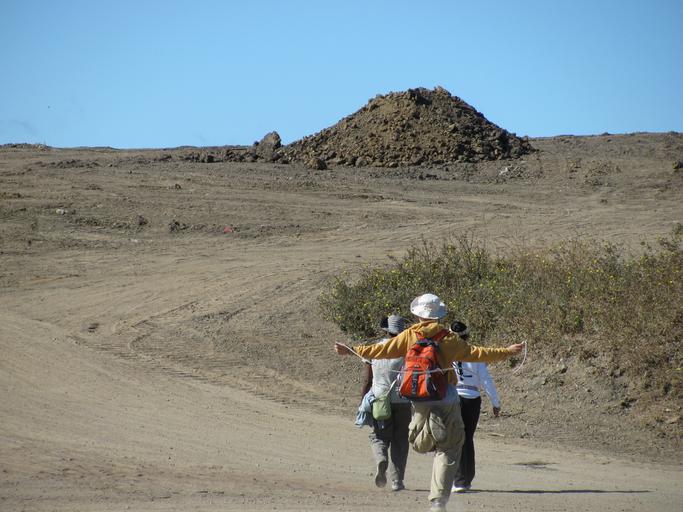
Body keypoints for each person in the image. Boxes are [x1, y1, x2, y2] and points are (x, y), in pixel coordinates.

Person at [334, 293, 524, 512]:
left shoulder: (409, 335)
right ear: (438, 315)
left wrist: (352, 350)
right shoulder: (449, 338)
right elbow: (477, 353)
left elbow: (381, 351)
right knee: (449, 448)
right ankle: (438, 501)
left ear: (418, 315)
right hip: (446, 396)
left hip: (418, 397)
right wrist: (507, 352)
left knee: (418, 438)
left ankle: (426, 436)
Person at [360, 315, 411, 492]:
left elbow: (367, 380)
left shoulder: (374, 349)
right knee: (400, 440)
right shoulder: (407, 350)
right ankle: (397, 480)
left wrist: (362, 401)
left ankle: (381, 458)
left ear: (386, 331)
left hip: (380, 399)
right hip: (403, 399)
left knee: (379, 436)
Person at [451, 360, 500, 492]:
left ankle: (460, 481)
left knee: (457, 439)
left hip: (455, 397)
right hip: (473, 399)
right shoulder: (476, 355)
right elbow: (486, 380)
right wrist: (495, 402)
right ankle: (467, 478)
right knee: (468, 438)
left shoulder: (450, 352)